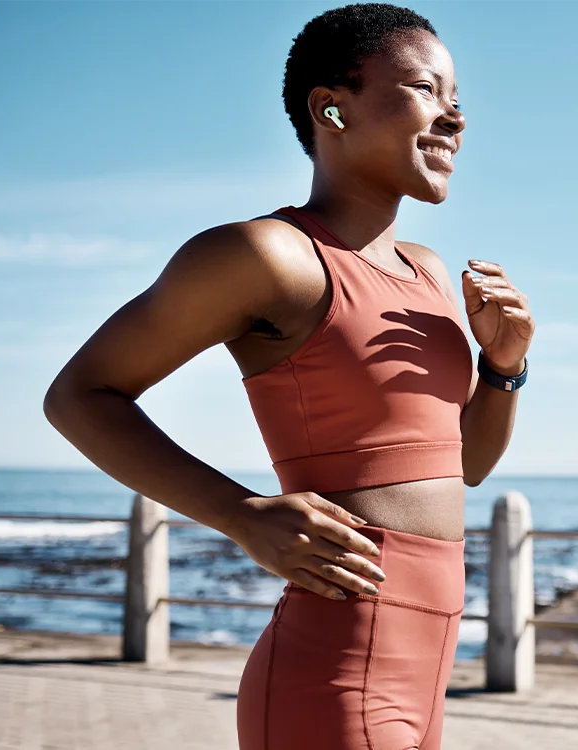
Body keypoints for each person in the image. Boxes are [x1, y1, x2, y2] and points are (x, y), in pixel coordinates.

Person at [42, 4, 533, 748]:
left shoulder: (430, 276)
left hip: (427, 679)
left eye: (458, 100)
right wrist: (242, 514)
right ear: (329, 107)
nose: (454, 118)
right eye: (425, 90)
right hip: (335, 674)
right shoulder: (269, 256)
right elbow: (79, 396)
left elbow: (465, 466)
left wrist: (503, 366)